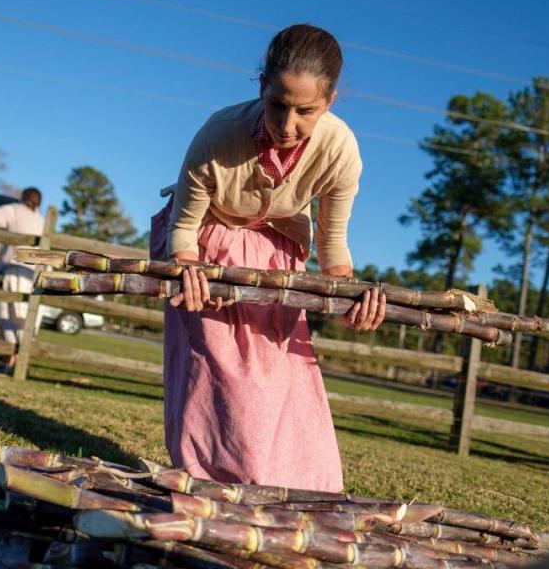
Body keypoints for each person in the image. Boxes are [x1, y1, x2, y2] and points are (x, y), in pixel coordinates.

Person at [153, 24, 386, 492]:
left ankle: (293, 486)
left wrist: (348, 298)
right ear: (261, 86)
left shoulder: (340, 150)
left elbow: (333, 244)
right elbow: (183, 226)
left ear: (331, 101)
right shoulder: (218, 135)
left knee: (281, 374)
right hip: (207, 243)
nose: (287, 124)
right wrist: (190, 267)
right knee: (224, 371)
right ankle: (213, 480)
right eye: (277, 104)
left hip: (277, 252)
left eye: (306, 111)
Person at [0, 187, 46, 370]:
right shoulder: (43, 222)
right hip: (37, 274)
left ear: (23, 198)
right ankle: (18, 360)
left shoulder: (14, 210)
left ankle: (12, 360)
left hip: (16, 270)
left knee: (9, 315)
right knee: (28, 318)